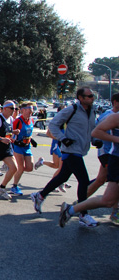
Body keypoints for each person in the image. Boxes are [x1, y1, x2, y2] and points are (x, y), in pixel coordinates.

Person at [30, 87, 97, 226]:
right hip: (71, 150)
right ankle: (83, 214)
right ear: (81, 97)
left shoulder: (92, 110)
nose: (92, 98)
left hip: (80, 150)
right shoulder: (72, 109)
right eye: (89, 96)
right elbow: (53, 125)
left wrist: (95, 140)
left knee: (63, 177)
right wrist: (63, 138)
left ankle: (40, 195)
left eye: (92, 96)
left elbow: (90, 129)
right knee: (84, 181)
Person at [59, 111, 119, 227]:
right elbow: (96, 132)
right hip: (117, 160)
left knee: (108, 198)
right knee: (108, 200)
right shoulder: (115, 117)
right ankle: (70, 210)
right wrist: (117, 139)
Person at [5, 102, 36, 196]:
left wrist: (32, 140)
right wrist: (15, 141)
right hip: (18, 147)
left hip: (27, 147)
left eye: (32, 110)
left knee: (30, 167)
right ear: (23, 110)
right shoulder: (17, 121)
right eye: (29, 110)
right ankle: (14, 186)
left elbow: (28, 133)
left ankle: (13, 170)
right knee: (21, 168)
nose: (31, 112)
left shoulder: (32, 121)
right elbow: (9, 133)